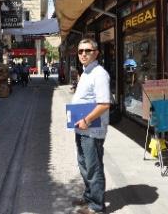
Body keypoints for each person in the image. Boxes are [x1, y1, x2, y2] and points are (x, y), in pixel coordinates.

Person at [70, 39, 110, 214]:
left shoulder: (99, 73)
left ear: (96, 53)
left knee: (93, 167)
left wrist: (86, 120)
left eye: (87, 50)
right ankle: (89, 196)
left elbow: (104, 104)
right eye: (80, 51)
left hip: (92, 129)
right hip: (82, 127)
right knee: (84, 165)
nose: (83, 54)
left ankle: (96, 206)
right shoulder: (86, 72)